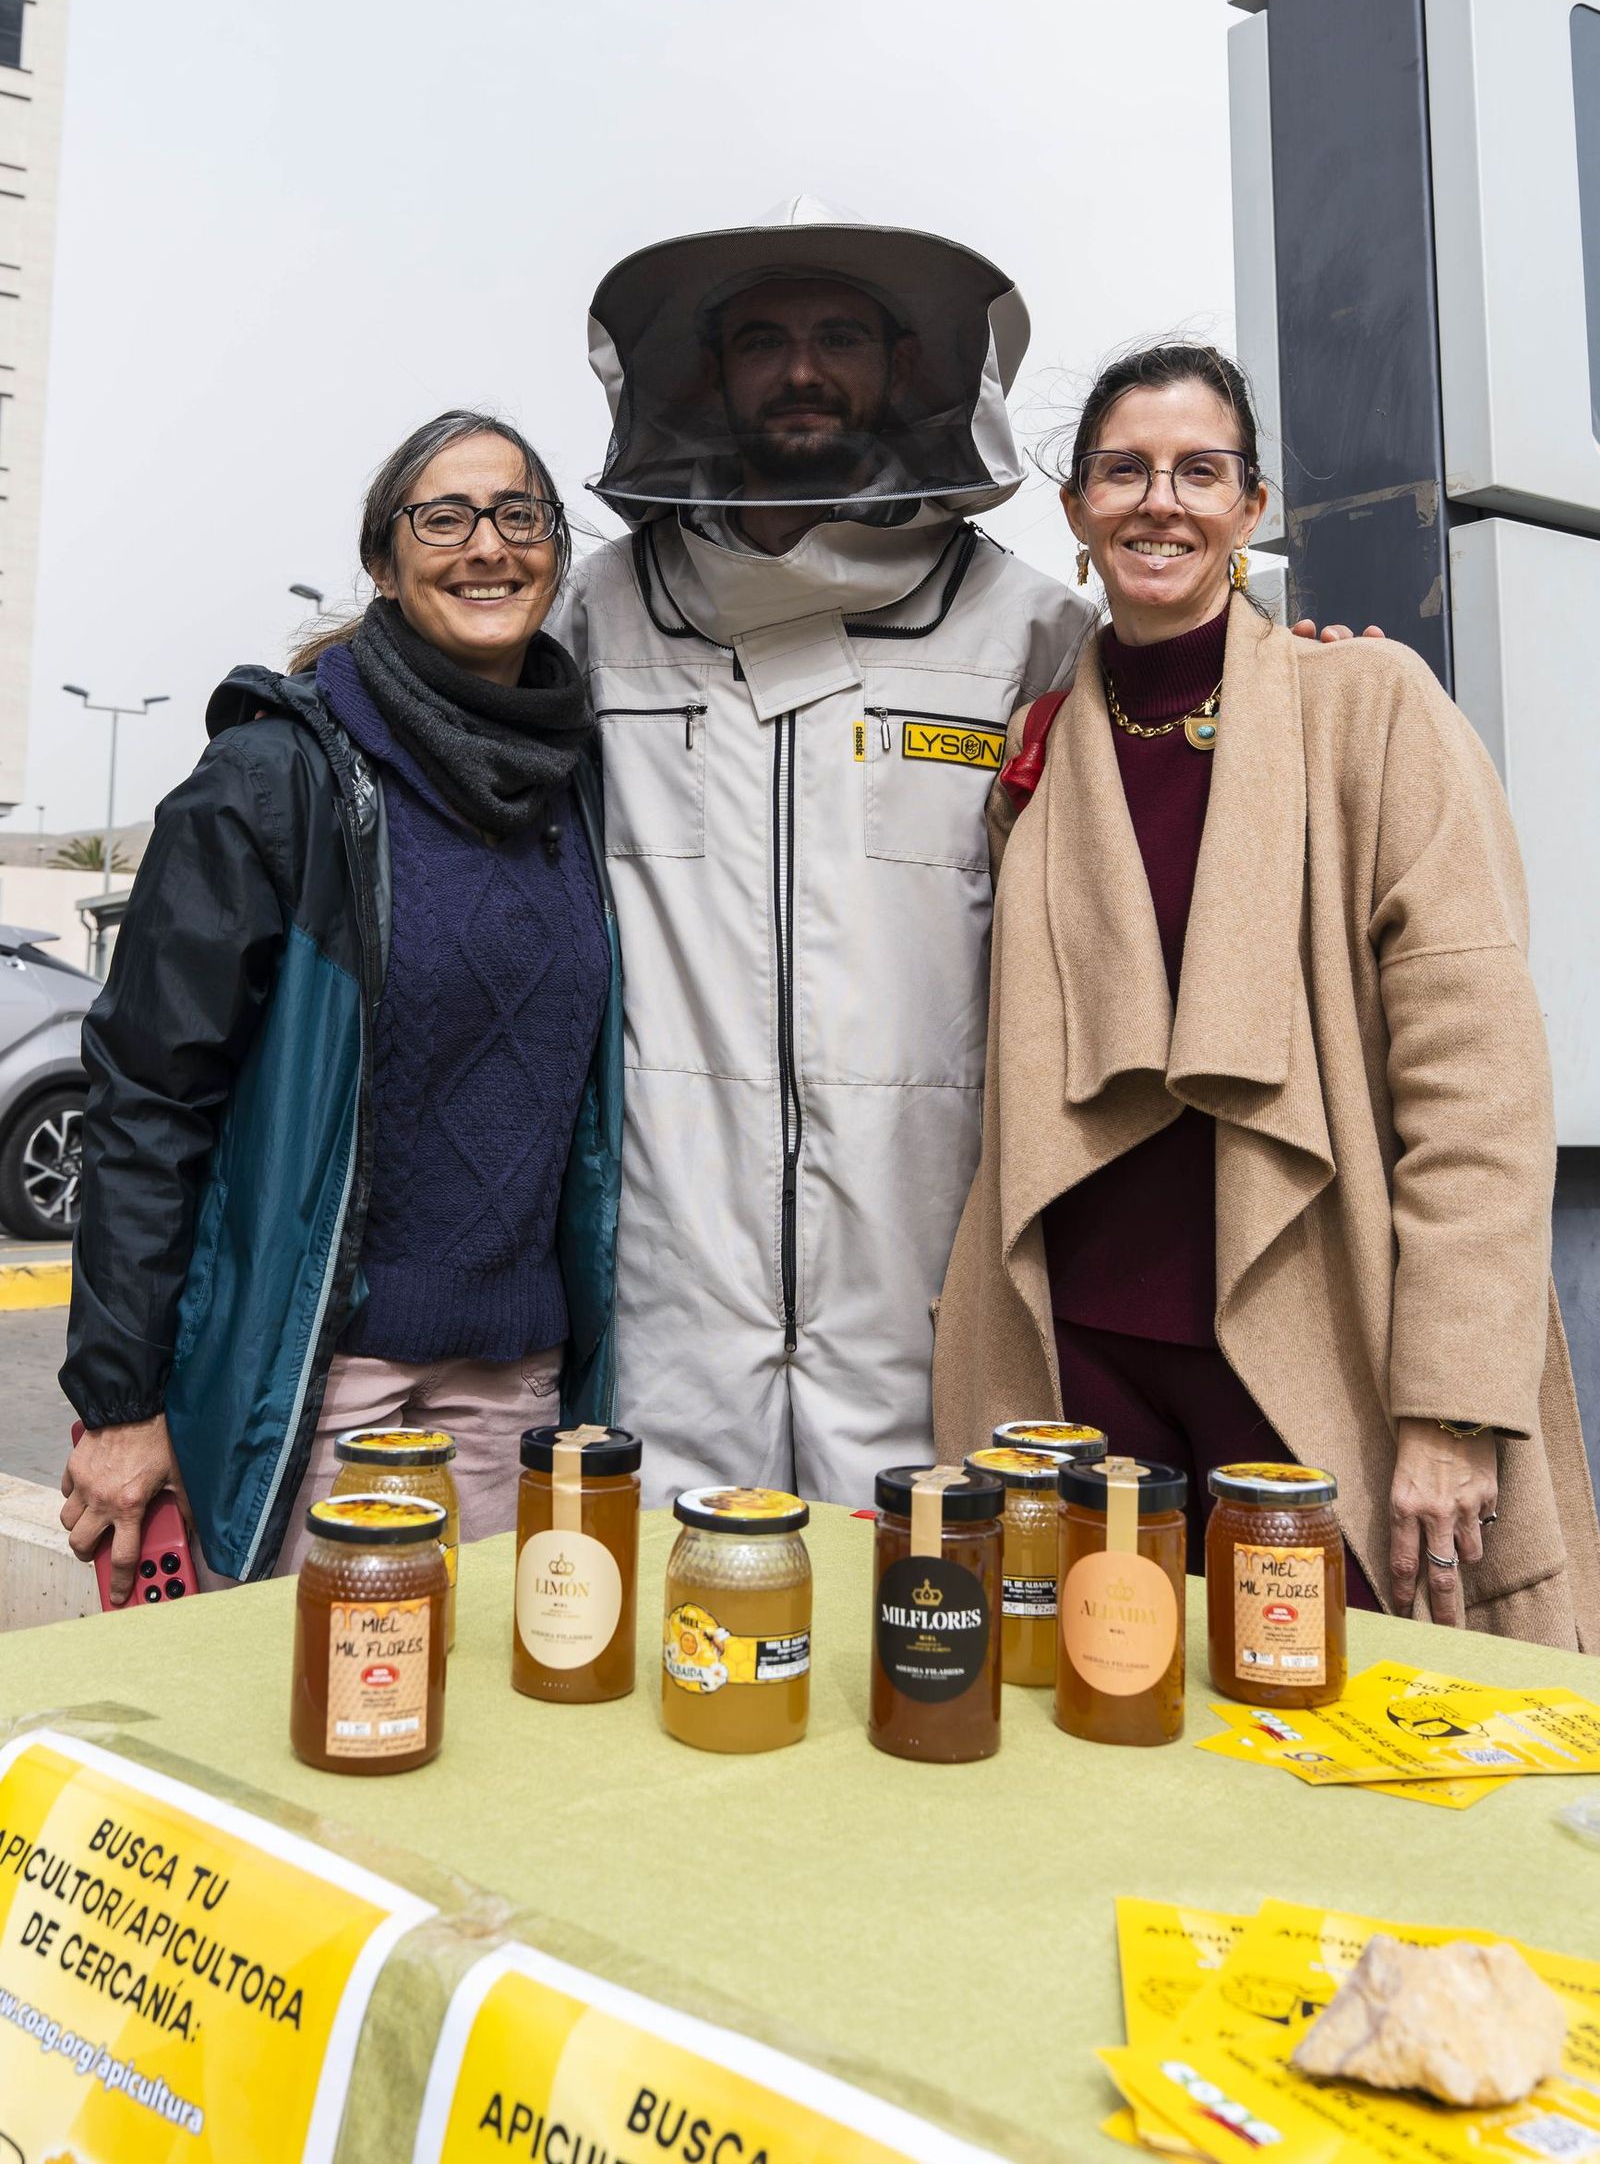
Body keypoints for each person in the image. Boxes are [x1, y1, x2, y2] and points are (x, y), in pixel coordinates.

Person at [932, 342, 1600, 1645]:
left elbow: (1480, 1082)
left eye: (1200, 470)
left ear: (1253, 509)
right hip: (1077, 1348)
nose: (1159, 500)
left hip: (1312, 1334)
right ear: (1075, 512)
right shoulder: (1044, 746)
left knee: (1352, 1739)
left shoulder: (1371, 707)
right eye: (1123, 470)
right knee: (1102, 1721)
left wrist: (1454, 1404)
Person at [559, 197, 1098, 1506]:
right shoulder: (598, 614)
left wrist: (1298, 678)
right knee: (678, 1637)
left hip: (929, 1255)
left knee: (925, 1642)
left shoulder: (1028, 632)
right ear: (707, 374)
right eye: (764, 340)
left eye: (840, 335)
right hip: (666, 1270)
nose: (802, 370)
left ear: (906, 369)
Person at [59, 411, 622, 1599]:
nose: (487, 545)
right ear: (383, 561)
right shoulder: (277, 781)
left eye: (520, 516)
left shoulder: (580, 782)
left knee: (481, 1736)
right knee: (311, 1728)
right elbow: (148, 1099)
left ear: (555, 553)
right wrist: (120, 1402)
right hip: (317, 1374)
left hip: (516, 1374)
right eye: (444, 516)